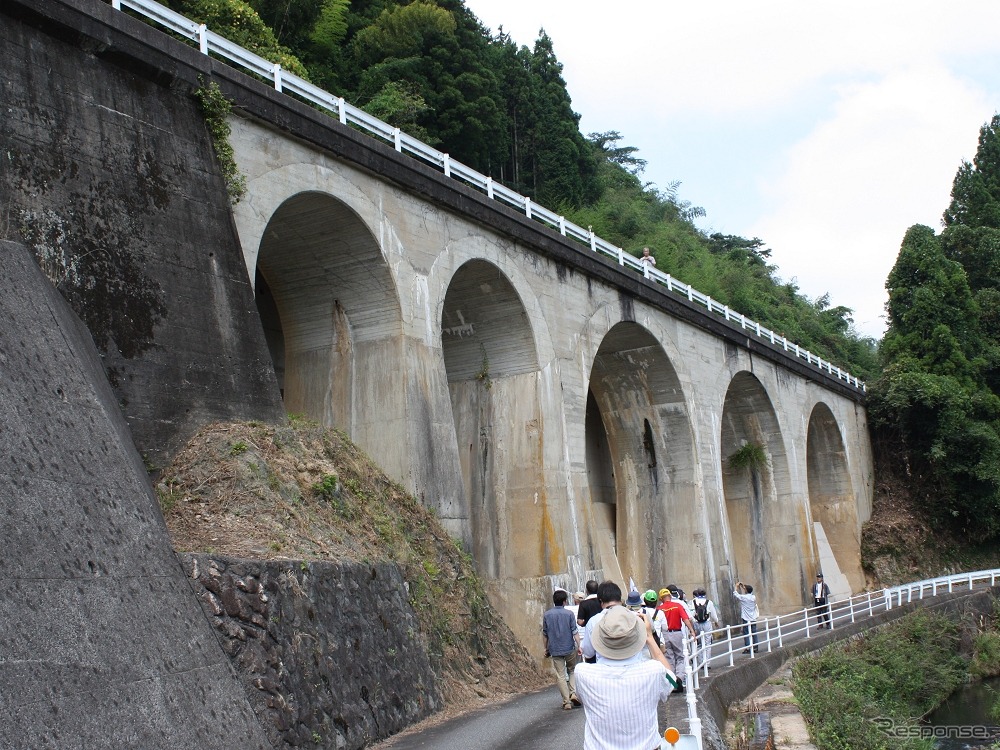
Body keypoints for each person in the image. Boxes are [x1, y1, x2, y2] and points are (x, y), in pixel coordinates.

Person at [574, 607, 679, 750]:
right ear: (637, 638)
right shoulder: (654, 670)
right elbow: (672, 681)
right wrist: (649, 637)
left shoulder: (582, 673)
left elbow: (581, 698)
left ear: (600, 639)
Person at [542, 589, 582, 710]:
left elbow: (545, 634)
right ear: (565, 601)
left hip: (555, 649)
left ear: (554, 601)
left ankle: (566, 702)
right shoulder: (569, 614)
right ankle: (573, 693)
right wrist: (579, 645)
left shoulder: (547, 615)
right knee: (572, 670)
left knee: (560, 675)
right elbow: (574, 631)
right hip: (569, 647)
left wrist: (546, 648)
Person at [656, 587, 695, 690]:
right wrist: (692, 631)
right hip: (677, 633)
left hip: (665, 635)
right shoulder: (677, 606)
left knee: (669, 658)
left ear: (661, 598)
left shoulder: (659, 609)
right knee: (680, 657)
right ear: (670, 596)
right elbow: (686, 619)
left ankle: (673, 683)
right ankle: (680, 678)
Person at [581, 581, 624, 663]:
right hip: (633, 667)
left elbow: (588, 652)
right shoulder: (635, 616)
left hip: (605, 667)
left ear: (600, 600)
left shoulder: (594, 621)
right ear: (620, 598)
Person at [689, 588, 721, 669]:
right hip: (706, 623)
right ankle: (707, 663)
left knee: (699, 643)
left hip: (697, 624)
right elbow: (713, 614)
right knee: (707, 644)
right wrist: (716, 621)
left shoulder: (693, 602)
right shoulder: (708, 602)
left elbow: (691, 614)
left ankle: (701, 663)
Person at [577, 580, 602, 663]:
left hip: (590, 632)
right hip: (604, 631)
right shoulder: (602, 601)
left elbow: (579, 621)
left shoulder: (583, 604)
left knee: (591, 655)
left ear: (587, 590)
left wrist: (586, 623)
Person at [733, 581, 759, 654]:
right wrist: (743, 586)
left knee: (746, 633)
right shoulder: (753, 597)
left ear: (746, 590)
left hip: (746, 618)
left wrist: (736, 586)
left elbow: (735, 594)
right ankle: (756, 647)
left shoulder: (743, 597)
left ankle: (748, 648)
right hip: (753, 618)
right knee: (754, 633)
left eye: (745, 589)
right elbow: (748, 591)